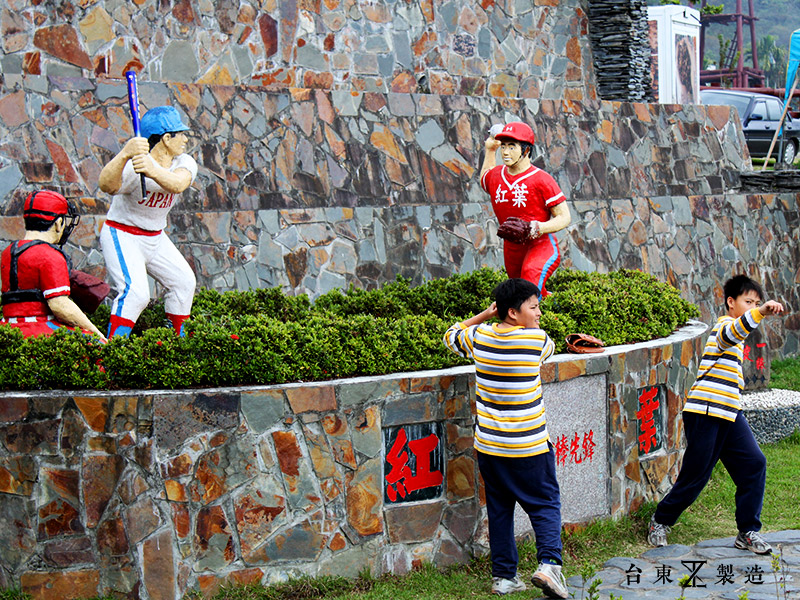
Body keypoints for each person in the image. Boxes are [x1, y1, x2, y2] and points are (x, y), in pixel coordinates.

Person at [443, 278, 568, 598]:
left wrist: (485, 316)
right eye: (534, 307)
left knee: (500, 509)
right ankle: (550, 565)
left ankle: (504, 578)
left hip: (490, 447)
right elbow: (548, 350)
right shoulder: (536, 341)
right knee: (545, 503)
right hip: (529, 445)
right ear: (513, 313)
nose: (539, 313)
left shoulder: (479, 337)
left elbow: (450, 335)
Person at [648, 275, 785, 554]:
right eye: (748, 302)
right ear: (731, 303)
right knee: (697, 474)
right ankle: (660, 521)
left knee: (754, 465)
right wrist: (761, 312)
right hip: (705, 410)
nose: (753, 307)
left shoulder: (738, 333)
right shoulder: (723, 328)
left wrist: (756, 312)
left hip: (730, 413)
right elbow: (734, 331)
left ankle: (747, 532)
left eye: (756, 303)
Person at [98, 105, 198, 338]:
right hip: (123, 234)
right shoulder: (134, 167)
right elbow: (107, 185)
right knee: (136, 294)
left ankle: (177, 346)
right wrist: (124, 154)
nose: (185, 139)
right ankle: (113, 355)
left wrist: (152, 170)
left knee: (183, 283)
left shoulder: (182, 161)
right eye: (180, 133)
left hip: (155, 237)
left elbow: (178, 183)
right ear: (165, 138)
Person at [1, 190, 106, 341]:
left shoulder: (8, 252)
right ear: (58, 223)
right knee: (97, 347)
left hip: (8, 327)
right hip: (40, 328)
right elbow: (59, 305)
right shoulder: (50, 255)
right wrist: (96, 332)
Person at [480, 122, 571, 296]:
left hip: (540, 245)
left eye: (512, 147)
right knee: (521, 293)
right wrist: (490, 150)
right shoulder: (496, 175)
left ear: (526, 150)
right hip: (512, 248)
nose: (505, 152)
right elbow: (485, 178)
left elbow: (565, 217)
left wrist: (536, 227)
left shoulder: (541, 179)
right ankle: (559, 313)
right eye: (504, 146)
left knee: (528, 283)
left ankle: (533, 323)